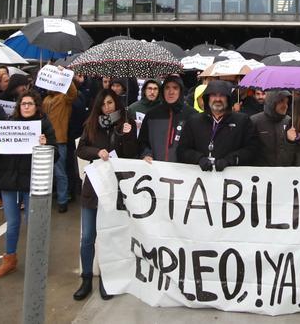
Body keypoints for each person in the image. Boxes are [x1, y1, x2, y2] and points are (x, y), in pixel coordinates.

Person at [73, 89, 139, 300]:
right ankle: (86, 278)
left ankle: (106, 278)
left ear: (117, 104)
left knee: (109, 235)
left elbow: (131, 154)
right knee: (88, 237)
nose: (107, 107)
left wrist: (128, 135)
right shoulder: (91, 125)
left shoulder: (125, 124)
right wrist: (96, 152)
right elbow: (81, 149)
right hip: (93, 187)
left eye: (110, 103)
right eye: (103, 104)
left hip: (114, 189)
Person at [0, 90, 56, 279]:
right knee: (12, 223)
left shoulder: (44, 125)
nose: (26, 107)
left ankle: (37, 261)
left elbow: (56, 155)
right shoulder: (9, 125)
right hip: (10, 181)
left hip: (32, 181)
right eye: (23, 104)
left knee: (34, 222)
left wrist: (46, 147)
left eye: (30, 104)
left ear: (37, 106)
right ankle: (9, 259)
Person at [177, 80, 258, 171]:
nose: (218, 99)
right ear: (207, 98)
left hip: (231, 179)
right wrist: (198, 158)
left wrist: (230, 160)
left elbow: (252, 150)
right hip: (200, 178)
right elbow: (182, 150)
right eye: (214, 95)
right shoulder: (194, 121)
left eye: (222, 95)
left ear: (228, 98)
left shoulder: (242, 121)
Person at [40, 81, 77, 213]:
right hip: (45, 139)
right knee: (45, 173)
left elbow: (73, 93)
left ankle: (63, 200)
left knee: (60, 172)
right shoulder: (46, 99)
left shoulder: (63, 97)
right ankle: (50, 198)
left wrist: (66, 77)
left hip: (59, 139)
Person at [137, 76, 189, 163]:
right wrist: (146, 154)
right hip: (156, 170)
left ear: (181, 91)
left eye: (175, 88)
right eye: (167, 88)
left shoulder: (191, 115)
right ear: (162, 91)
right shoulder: (152, 115)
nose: (171, 92)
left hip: (182, 172)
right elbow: (143, 142)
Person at [250, 90, 291, 166]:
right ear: (272, 101)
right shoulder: (254, 121)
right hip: (260, 172)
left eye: (287, 102)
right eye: (281, 101)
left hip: (283, 172)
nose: (285, 105)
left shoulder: (289, 121)